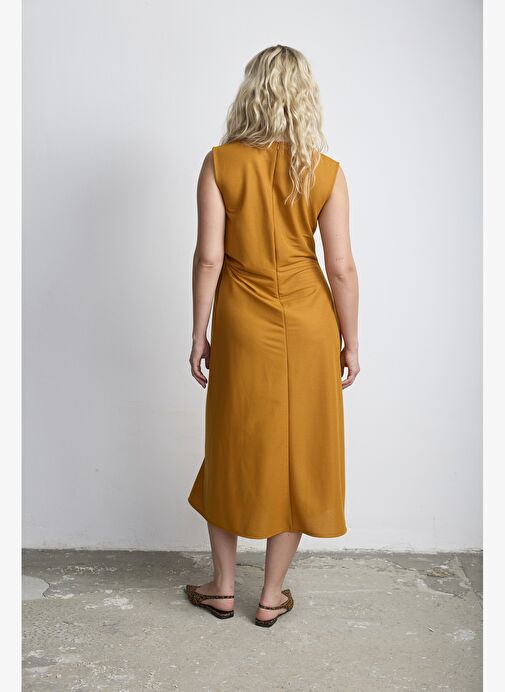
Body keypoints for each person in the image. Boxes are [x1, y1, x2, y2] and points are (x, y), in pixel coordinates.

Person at [185, 45, 360, 627]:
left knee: (231, 445)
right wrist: (351, 340)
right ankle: (270, 595)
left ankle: (223, 588)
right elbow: (341, 267)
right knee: (299, 451)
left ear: (250, 93)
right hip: (309, 323)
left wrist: (199, 333)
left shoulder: (220, 163)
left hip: (242, 320)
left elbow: (209, 258)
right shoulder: (324, 171)